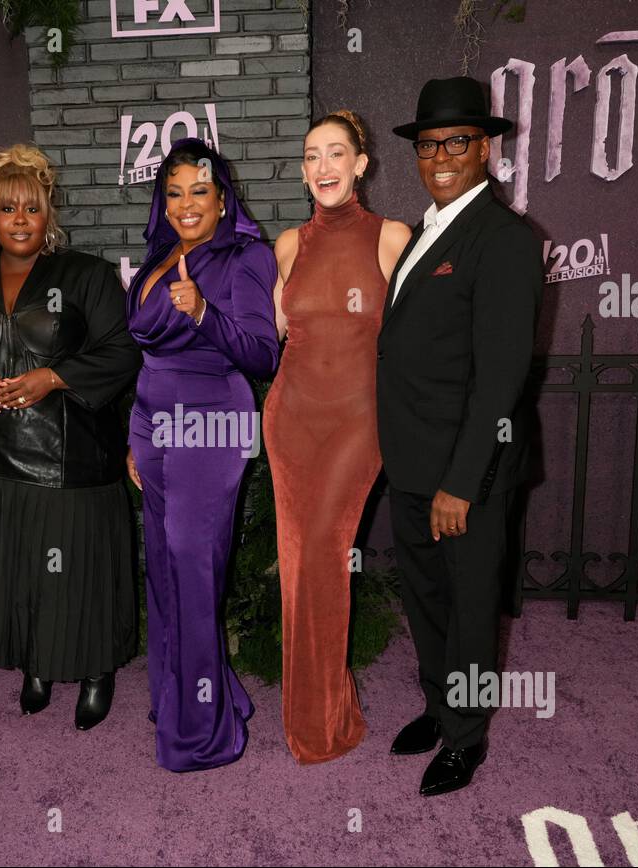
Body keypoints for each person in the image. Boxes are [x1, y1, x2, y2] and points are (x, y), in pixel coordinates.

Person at [0, 144, 142, 730]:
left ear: (50, 214)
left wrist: (55, 376)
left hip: (70, 461)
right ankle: (36, 664)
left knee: (78, 574)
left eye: (31, 208)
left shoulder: (87, 275)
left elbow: (121, 353)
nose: (19, 218)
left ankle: (96, 669)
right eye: (7, 208)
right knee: (18, 571)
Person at [378, 76, 543, 796]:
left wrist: (459, 481)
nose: (440, 155)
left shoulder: (505, 240)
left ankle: (467, 739)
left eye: (457, 142)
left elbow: (500, 380)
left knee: (471, 607)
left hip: (464, 474)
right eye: (428, 144)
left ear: (486, 148)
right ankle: (443, 708)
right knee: (427, 601)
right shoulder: (424, 230)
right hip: (411, 462)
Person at [125, 138, 279, 772]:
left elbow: (263, 354)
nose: (187, 204)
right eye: (175, 192)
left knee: (193, 569)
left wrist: (205, 313)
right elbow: (143, 351)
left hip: (211, 422)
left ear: (223, 199)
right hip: (152, 421)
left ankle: (202, 732)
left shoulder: (246, 257)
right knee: (163, 568)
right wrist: (132, 436)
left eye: (201, 192)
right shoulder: (160, 256)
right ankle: (179, 698)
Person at [265, 110, 411, 764]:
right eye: (311, 157)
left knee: (324, 550)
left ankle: (322, 720)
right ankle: (323, 713)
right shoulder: (288, 245)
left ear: (361, 164)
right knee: (300, 564)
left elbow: (414, 344)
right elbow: (278, 335)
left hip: (357, 421)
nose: (323, 167)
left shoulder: (392, 238)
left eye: (336, 154)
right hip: (290, 419)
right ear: (304, 171)